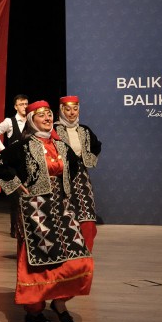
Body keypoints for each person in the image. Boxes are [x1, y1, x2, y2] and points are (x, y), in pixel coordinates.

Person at [0, 100, 94, 322]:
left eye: (49, 114)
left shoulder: (61, 146)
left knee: (78, 260)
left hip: (62, 209)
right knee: (39, 262)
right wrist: (16, 184)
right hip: (36, 211)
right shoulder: (23, 146)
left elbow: (76, 168)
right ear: (31, 120)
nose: (47, 118)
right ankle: (34, 310)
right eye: (41, 115)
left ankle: (60, 302)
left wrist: (68, 191)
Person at [54, 95, 102, 252]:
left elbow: (97, 145)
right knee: (63, 213)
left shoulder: (84, 130)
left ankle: (86, 251)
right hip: (60, 176)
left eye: (75, 109)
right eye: (67, 109)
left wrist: (88, 159)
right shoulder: (53, 130)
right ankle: (66, 250)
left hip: (81, 175)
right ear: (61, 111)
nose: (72, 113)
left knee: (87, 213)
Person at [0, 94, 29, 238]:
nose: (24, 106)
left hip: (28, 164)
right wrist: (4, 151)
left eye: (26, 104)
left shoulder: (31, 120)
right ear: (15, 107)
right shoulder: (10, 121)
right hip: (13, 165)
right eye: (21, 104)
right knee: (15, 198)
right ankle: (15, 229)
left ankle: (27, 228)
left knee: (28, 197)